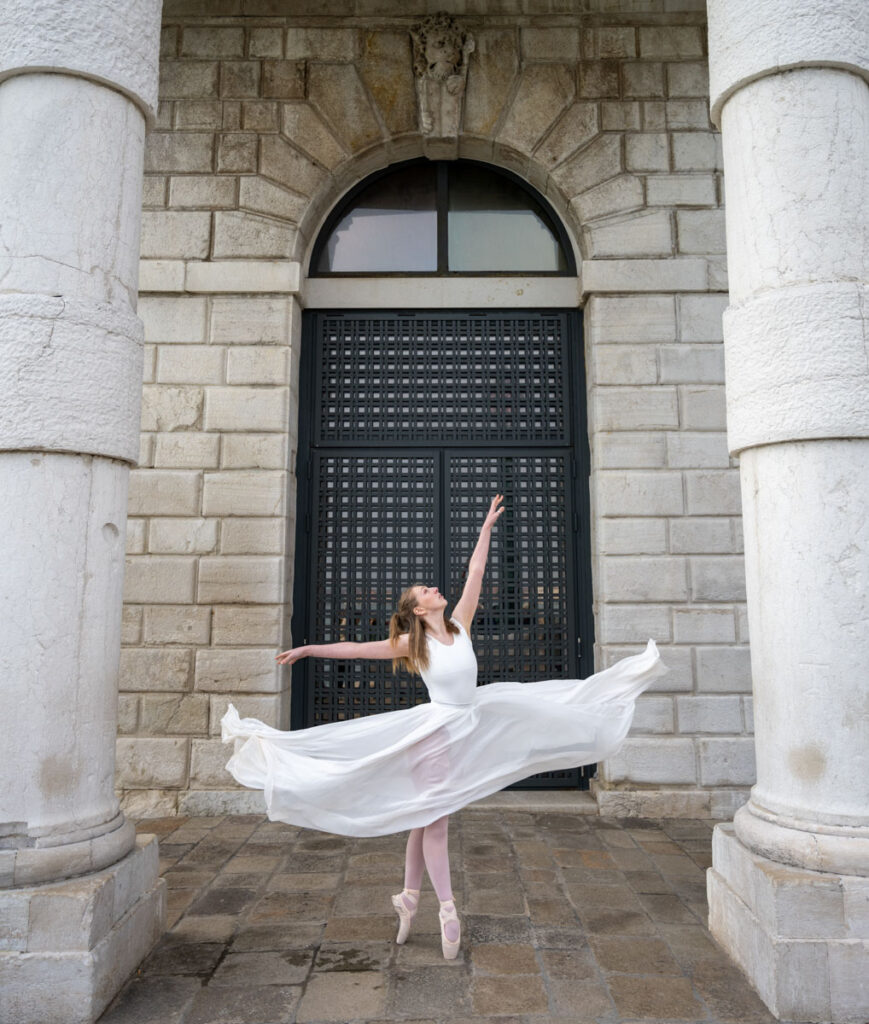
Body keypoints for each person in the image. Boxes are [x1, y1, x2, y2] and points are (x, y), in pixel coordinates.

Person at [221, 494, 667, 960]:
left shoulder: (460, 625)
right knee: (436, 824)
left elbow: (475, 573)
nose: (435, 589)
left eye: (432, 588)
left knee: (435, 807)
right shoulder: (411, 645)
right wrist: (308, 651)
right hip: (434, 738)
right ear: (417, 610)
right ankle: (448, 911)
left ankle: (409, 899)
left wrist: (486, 528)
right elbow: (354, 649)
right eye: (426, 592)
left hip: (471, 725)